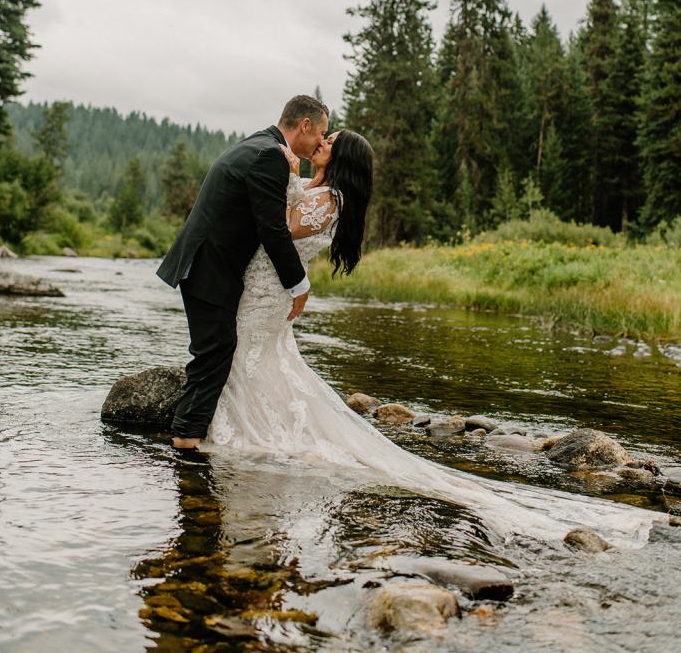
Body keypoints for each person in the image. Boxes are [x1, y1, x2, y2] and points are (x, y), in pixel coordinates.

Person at [202, 127, 663, 547]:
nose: (320, 141)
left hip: (266, 294)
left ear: (340, 158)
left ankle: (248, 428)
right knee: (262, 362)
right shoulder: (320, 192)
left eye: (330, 140)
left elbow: (279, 226)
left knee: (255, 359)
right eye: (322, 135)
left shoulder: (330, 199)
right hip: (265, 291)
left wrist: (284, 174)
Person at [156, 94, 329, 449]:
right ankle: (185, 442)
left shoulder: (262, 145)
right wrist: (299, 284)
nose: (319, 143)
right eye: (320, 133)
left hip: (208, 262)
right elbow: (273, 229)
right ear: (305, 125)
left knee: (215, 351)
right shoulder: (270, 155)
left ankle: (187, 439)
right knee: (214, 353)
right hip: (210, 265)